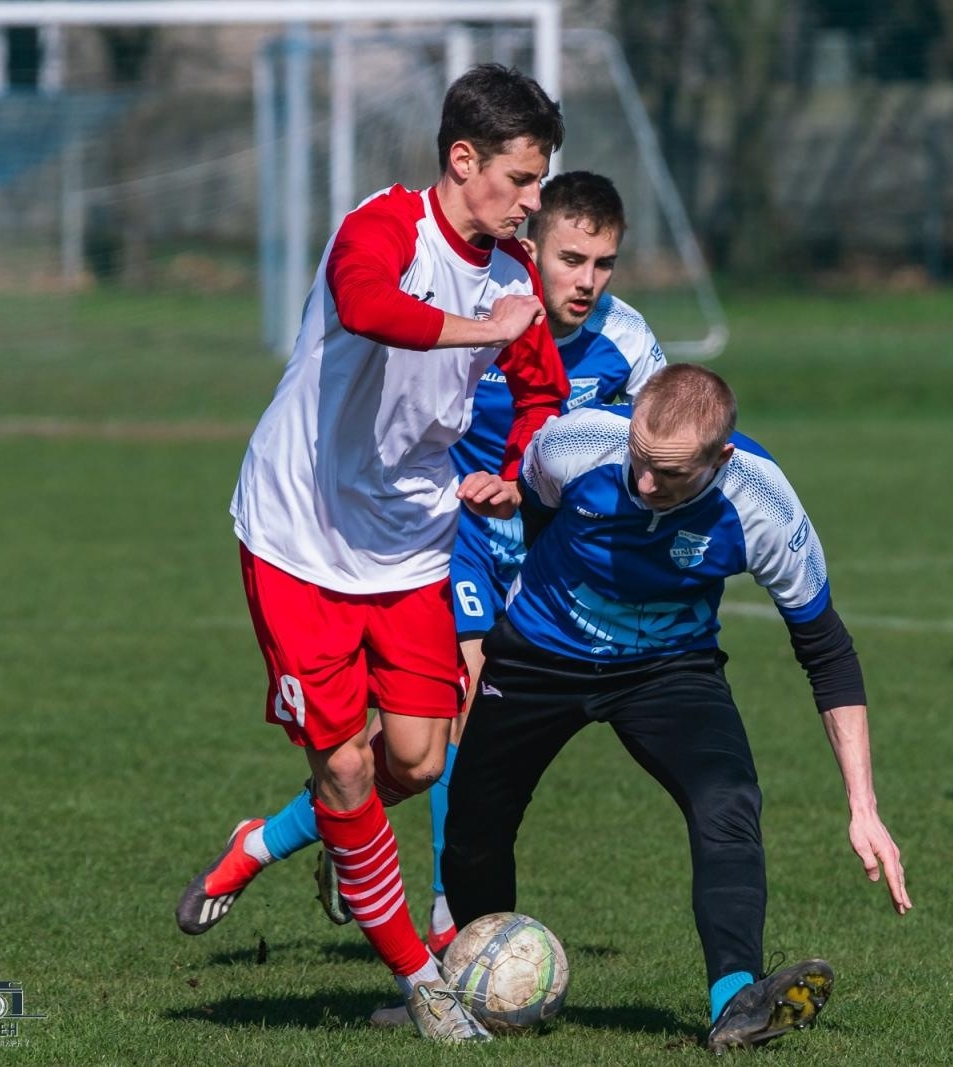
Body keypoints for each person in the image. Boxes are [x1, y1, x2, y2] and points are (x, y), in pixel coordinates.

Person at [175, 64, 569, 1044]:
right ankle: (423, 982)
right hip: (298, 532)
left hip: (409, 545)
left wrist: (513, 465)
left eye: (539, 183)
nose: (532, 203)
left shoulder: (514, 274)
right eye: (520, 181)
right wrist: (486, 327)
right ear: (462, 159)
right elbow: (367, 309)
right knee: (347, 766)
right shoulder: (382, 227)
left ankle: (270, 842)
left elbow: (541, 395)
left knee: (417, 754)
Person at [177, 172, 665, 959]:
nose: (587, 279)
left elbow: (664, 440)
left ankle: (274, 839)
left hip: (542, 551)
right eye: (572, 258)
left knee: (413, 757)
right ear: (531, 247)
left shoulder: (630, 344)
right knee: (465, 711)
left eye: (603, 263)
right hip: (455, 535)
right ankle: (446, 923)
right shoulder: (487, 295)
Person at [439, 364, 911, 1053]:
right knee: (476, 822)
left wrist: (862, 804)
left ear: (720, 458)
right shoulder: (574, 443)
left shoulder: (763, 505)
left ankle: (737, 1002)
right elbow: (539, 511)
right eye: (640, 461)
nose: (646, 484)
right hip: (540, 651)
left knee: (728, 799)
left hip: (669, 668)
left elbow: (827, 651)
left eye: (671, 473)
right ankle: (475, 993)